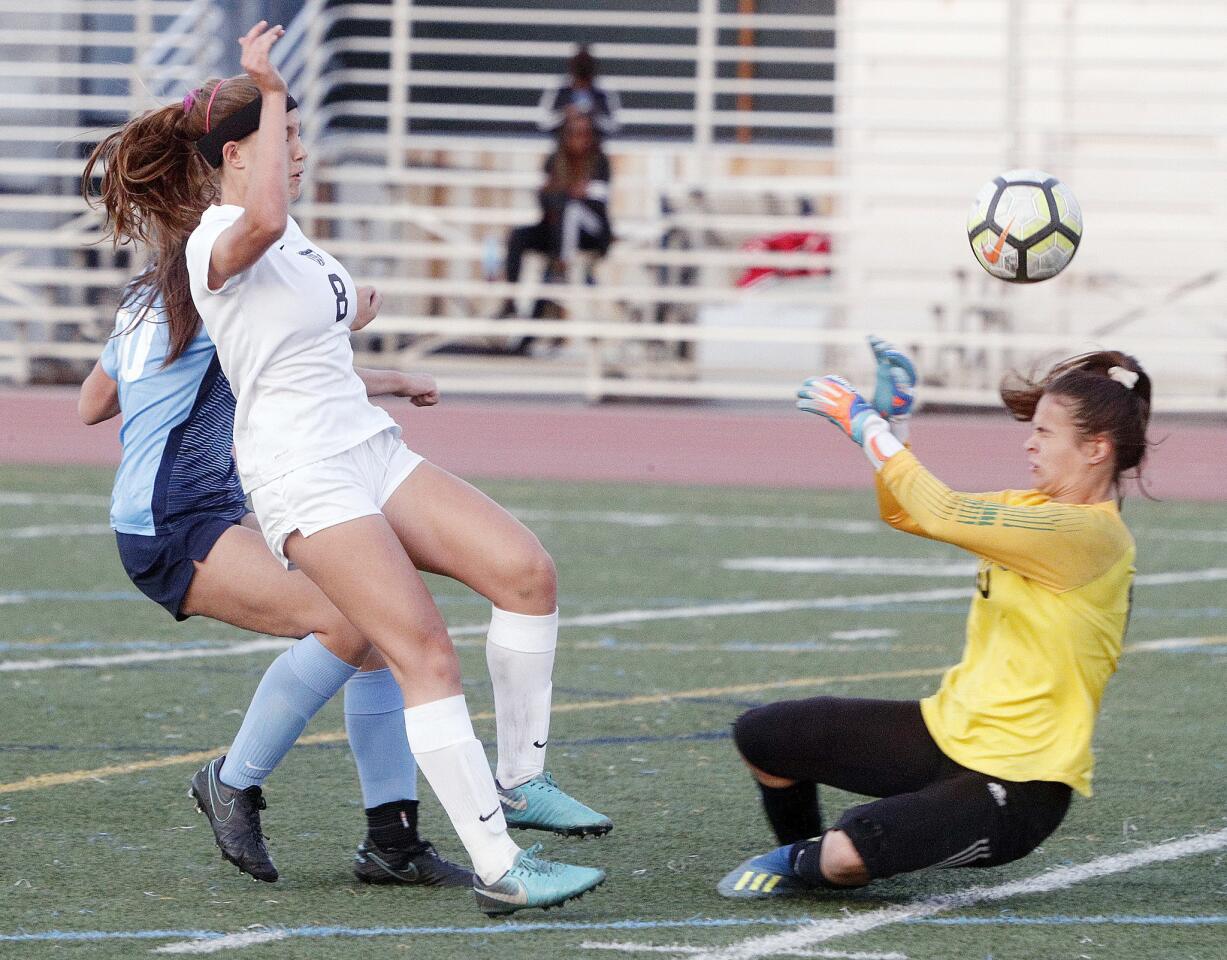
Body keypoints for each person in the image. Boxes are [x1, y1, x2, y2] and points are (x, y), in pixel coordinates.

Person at [82, 22, 609, 916]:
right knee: (414, 649)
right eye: (283, 137)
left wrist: (371, 338)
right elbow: (262, 229)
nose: (297, 147)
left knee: (525, 572)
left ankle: (517, 783)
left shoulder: (290, 244)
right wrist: (270, 86)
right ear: (237, 155)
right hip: (301, 471)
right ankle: (496, 864)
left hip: (368, 446)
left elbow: (306, 331)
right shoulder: (220, 237)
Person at [718, 336, 1150, 898]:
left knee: (852, 848)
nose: (1029, 445)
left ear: (1095, 449)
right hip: (948, 733)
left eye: (1044, 432)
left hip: (1019, 782)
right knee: (765, 735)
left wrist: (863, 425)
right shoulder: (1037, 511)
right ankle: (815, 866)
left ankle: (819, 860)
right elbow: (911, 513)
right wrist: (892, 431)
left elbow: (941, 511)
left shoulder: (1089, 535)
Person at [75, 279, 469, 888]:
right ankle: (233, 779)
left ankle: (392, 840)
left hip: (200, 507)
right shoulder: (217, 300)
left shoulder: (144, 300)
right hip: (175, 519)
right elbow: (297, 369)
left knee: (382, 615)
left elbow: (92, 404)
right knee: (354, 616)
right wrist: (347, 323)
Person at [495, 111, 613, 322]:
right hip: (554, 229)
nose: (581, 138)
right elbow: (545, 197)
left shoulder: (599, 161)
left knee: (571, 209)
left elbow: (597, 198)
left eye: (585, 133)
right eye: (575, 133)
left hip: (588, 234)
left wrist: (565, 193)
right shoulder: (555, 160)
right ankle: (511, 300)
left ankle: (560, 267)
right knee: (519, 236)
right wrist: (566, 193)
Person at [537, 44, 621, 139]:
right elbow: (543, 123)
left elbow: (615, 126)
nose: (583, 69)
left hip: (595, 145)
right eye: (579, 65)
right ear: (572, 67)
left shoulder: (604, 92)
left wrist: (595, 115)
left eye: (587, 65)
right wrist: (564, 114)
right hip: (563, 144)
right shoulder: (558, 90)